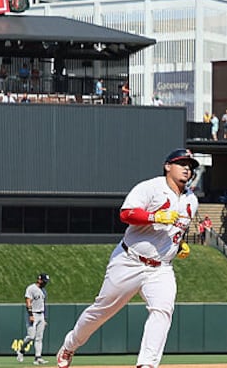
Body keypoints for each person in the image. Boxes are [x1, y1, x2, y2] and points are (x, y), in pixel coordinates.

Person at [54, 149, 199, 368]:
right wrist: (154, 216)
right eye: (182, 163)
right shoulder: (150, 188)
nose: (187, 168)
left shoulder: (191, 200)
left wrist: (179, 245)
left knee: (163, 311)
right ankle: (70, 344)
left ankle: (146, 364)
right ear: (167, 166)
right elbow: (126, 214)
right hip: (130, 260)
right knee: (102, 311)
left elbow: (176, 230)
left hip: (161, 269)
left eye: (190, 165)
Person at [17, 273, 50, 364]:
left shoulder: (43, 291)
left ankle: (38, 357)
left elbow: (44, 304)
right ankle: (21, 351)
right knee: (31, 337)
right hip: (33, 313)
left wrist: (44, 318)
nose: (45, 283)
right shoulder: (31, 288)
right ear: (39, 280)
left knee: (39, 338)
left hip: (41, 314)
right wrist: (30, 314)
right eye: (44, 281)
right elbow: (28, 302)